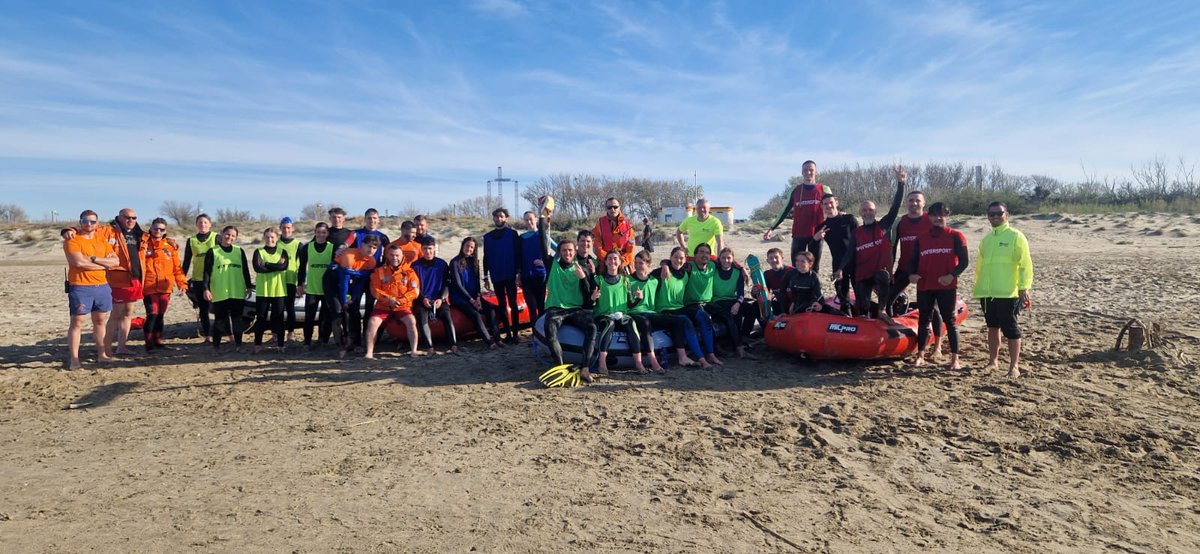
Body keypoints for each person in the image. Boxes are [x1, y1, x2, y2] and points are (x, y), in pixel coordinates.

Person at [834, 166, 906, 320]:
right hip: (863, 274)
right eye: (864, 210)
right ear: (861, 213)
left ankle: (882, 310)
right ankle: (866, 319)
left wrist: (901, 184)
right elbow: (850, 252)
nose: (867, 212)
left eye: (870, 210)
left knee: (882, 277)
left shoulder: (883, 225)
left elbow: (895, 207)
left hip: (880, 273)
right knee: (863, 306)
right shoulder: (857, 232)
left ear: (875, 212)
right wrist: (840, 268)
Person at [973, 202, 1033, 378]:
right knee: (992, 327)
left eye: (998, 213)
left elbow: (1025, 264)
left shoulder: (1016, 236)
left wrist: (1024, 287)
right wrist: (979, 288)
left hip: (1008, 292)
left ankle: (1014, 366)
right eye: (991, 214)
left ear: (1007, 214)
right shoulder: (986, 240)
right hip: (988, 292)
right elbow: (980, 267)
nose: (995, 217)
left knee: (1011, 329)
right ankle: (993, 362)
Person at [908, 202, 969, 370]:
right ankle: (920, 355)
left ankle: (955, 359)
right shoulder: (921, 238)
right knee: (923, 320)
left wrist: (952, 275)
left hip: (946, 286)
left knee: (949, 320)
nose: (938, 218)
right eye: (934, 215)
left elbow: (964, 261)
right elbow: (913, 261)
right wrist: (911, 274)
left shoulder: (956, 236)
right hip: (925, 286)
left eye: (941, 214)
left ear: (947, 216)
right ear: (929, 216)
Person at [538, 224, 599, 382]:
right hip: (555, 309)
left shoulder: (581, 269)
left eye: (570, 250)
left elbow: (587, 296)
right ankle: (560, 367)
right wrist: (542, 217)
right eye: (564, 250)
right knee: (550, 328)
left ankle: (585, 368)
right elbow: (542, 241)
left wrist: (584, 278)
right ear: (559, 252)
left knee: (591, 328)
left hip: (575, 310)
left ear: (574, 252)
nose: (567, 253)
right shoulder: (552, 265)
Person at [63, 210, 119, 369]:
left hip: (102, 286)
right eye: (85, 221)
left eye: (92, 221)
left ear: (97, 223)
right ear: (80, 222)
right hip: (80, 286)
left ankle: (102, 354)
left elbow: (115, 261)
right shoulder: (73, 239)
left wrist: (93, 259)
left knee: (100, 321)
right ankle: (74, 359)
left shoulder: (102, 240)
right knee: (77, 322)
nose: (89, 224)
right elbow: (78, 263)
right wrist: (102, 264)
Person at [628, 249, 697, 368]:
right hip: (634, 313)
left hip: (652, 313)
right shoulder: (627, 280)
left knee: (679, 321)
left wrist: (665, 265)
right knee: (645, 323)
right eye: (636, 262)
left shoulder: (654, 280)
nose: (637, 266)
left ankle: (682, 357)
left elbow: (670, 270)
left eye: (641, 263)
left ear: (648, 264)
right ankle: (653, 361)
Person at [658, 246, 722, 366]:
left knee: (703, 317)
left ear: (685, 259)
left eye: (681, 258)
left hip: (680, 307)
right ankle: (701, 359)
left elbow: (723, 260)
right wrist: (665, 264)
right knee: (686, 321)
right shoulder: (662, 272)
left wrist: (742, 269)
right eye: (675, 257)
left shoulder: (686, 270)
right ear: (670, 257)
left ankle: (711, 354)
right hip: (665, 309)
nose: (678, 260)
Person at [763, 160, 830, 269]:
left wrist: (841, 215)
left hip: (817, 235)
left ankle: (815, 286)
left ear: (816, 172)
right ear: (802, 172)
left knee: (814, 266)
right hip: (799, 234)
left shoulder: (823, 189)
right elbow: (784, 211)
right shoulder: (795, 190)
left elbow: (832, 207)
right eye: (805, 170)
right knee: (796, 266)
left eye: (811, 170)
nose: (808, 172)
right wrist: (771, 228)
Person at [591, 249, 649, 375]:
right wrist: (593, 299)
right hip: (603, 316)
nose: (612, 261)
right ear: (605, 262)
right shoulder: (598, 280)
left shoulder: (625, 280)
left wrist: (638, 299)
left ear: (619, 262)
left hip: (621, 315)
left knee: (631, 322)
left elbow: (629, 304)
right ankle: (602, 362)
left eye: (615, 258)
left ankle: (638, 363)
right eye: (610, 258)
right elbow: (591, 304)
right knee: (609, 323)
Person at [364, 245, 422, 359]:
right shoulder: (379, 271)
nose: (395, 258)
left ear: (402, 256)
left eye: (397, 255)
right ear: (386, 256)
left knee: (411, 321)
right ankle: (369, 352)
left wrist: (402, 300)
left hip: (402, 306)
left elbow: (415, 291)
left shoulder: (409, 272)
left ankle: (414, 350)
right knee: (372, 322)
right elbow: (375, 290)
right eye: (392, 255)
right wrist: (388, 300)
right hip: (383, 306)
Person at [140, 217, 188, 351]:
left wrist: (182, 283)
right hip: (149, 286)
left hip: (165, 286)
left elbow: (177, 267)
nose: (158, 231)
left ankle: (158, 341)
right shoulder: (143, 243)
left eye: (161, 229)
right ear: (151, 228)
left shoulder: (169, 247)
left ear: (165, 231)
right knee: (152, 314)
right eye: (155, 228)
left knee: (160, 315)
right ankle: (148, 344)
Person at [203, 225, 253, 352]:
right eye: (227, 234)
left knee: (237, 319)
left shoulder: (239, 251)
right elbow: (207, 273)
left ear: (235, 238)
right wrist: (206, 288)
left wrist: (248, 286)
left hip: (236, 290)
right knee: (220, 320)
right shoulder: (213, 251)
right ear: (221, 234)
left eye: (233, 236)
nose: (229, 237)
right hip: (220, 291)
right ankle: (216, 346)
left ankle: (238, 345)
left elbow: (245, 270)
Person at [328, 234, 379, 356]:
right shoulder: (349, 256)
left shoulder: (371, 262)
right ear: (362, 244)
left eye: (374, 248)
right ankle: (341, 344)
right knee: (339, 309)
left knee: (354, 309)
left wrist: (353, 298)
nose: (371, 250)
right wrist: (344, 299)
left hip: (352, 282)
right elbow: (343, 282)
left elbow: (360, 283)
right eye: (369, 246)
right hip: (333, 279)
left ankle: (355, 342)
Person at [448, 237, 503, 348]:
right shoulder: (454, 262)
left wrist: (478, 297)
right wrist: (472, 300)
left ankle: (498, 339)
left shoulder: (475, 262)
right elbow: (458, 285)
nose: (469, 248)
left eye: (472, 247)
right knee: (475, 314)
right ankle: (489, 342)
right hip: (459, 298)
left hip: (474, 296)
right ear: (463, 246)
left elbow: (477, 283)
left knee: (491, 309)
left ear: (474, 249)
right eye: (467, 246)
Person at [411, 235, 459, 354]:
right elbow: (413, 287)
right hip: (422, 300)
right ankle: (430, 347)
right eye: (425, 248)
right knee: (423, 319)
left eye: (430, 248)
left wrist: (441, 298)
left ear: (434, 249)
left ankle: (453, 345)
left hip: (439, 299)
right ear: (421, 249)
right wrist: (423, 298)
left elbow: (447, 284)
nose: (428, 251)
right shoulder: (415, 266)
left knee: (448, 318)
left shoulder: (442, 264)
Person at [706, 247, 755, 358]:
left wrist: (738, 303)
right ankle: (737, 346)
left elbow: (741, 293)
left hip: (733, 300)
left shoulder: (737, 273)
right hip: (717, 301)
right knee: (735, 313)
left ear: (733, 259)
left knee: (751, 309)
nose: (726, 260)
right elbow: (708, 259)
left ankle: (742, 336)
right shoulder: (714, 270)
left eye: (729, 258)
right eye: (723, 258)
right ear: (719, 259)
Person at [812, 194, 857, 315]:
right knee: (843, 299)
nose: (828, 205)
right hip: (837, 263)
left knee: (861, 295)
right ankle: (847, 320)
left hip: (856, 262)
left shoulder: (849, 219)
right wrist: (816, 239)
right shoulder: (822, 227)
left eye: (831, 202)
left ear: (836, 203)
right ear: (822, 206)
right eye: (825, 204)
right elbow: (812, 250)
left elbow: (861, 238)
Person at [483, 208, 522, 344]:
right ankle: (508, 334)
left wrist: (518, 273)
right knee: (502, 304)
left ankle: (516, 334)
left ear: (506, 218)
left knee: (513, 303)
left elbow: (518, 254)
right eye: (496, 217)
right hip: (496, 274)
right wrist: (485, 277)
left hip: (510, 273)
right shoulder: (487, 237)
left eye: (501, 216)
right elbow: (486, 257)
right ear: (493, 218)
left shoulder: (512, 234)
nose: (499, 219)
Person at [251, 227, 290, 353]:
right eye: (267, 237)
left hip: (279, 290)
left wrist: (266, 264)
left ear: (277, 238)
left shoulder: (282, 251)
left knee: (278, 318)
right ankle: (257, 344)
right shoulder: (259, 251)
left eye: (272, 237)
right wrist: (276, 266)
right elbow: (258, 268)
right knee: (261, 318)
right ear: (264, 238)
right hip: (263, 290)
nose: (270, 239)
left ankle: (280, 344)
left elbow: (283, 266)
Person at [297, 222, 334, 348]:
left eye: (324, 232)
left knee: (326, 317)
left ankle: (323, 340)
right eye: (318, 232)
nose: (321, 235)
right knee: (309, 317)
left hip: (327, 289)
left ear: (327, 233)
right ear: (315, 233)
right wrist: (300, 284)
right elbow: (302, 267)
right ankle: (307, 341)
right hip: (312, 288)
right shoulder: (308, 247)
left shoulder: (332, 248)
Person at [181, 213, 217, 341]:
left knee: (218, 308)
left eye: (205, 222)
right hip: (198, 279)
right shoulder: (191, 240)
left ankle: (219, 335)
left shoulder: (216, 238)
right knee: (204, 309)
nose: (203, 225)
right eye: (200, 222)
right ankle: (207, 336)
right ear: (196, 225)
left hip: (215, 279)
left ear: (210, 224)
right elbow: (186, 261)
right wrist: (182, 280)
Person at [519, 210, 553, 322]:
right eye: (526, 220)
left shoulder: (543, 235)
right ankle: (535, 336)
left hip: (540, 276)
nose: (529, 222)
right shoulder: (521, 238)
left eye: (531, 219)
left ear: (536, 220)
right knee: (532, 308)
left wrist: (547, 262)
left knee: (541, 307)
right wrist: (518, 274)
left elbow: (559, 250)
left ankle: (543, 334)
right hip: (526, 277)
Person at [592, 197, 636, 270]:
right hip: (605, 265)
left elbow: (631, 248)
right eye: (609, 207)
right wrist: (610, 260)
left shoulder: (628, 226)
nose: (613, 209)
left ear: (619, 208)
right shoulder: (599, 226)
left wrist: (621, 261)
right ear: (606, 208)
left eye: (615, 207)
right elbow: (597, 248)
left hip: (624, 265)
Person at [277, 217, 302, 341]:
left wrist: (301, 283)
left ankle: (290, 333)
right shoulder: (275, 242)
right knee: (278, 309)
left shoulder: (298, 244)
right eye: (283, 228)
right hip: (277, 281)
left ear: (292, 228)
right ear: (280, 228)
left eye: (288, 228)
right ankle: (276, 334)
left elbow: (303, 265)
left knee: (290, 308)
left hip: (291, 280)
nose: (286, 230)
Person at [762, 247, 792, 318]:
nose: (774, 260)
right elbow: (766, 294)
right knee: (756, 305)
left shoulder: (792, 271)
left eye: (776, 257)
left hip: (796, 305)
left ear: (782, 258)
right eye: (771, 258)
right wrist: (755, 292)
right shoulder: (767, 274)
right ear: (767, 261)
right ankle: (765, 327)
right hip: (780, 305)